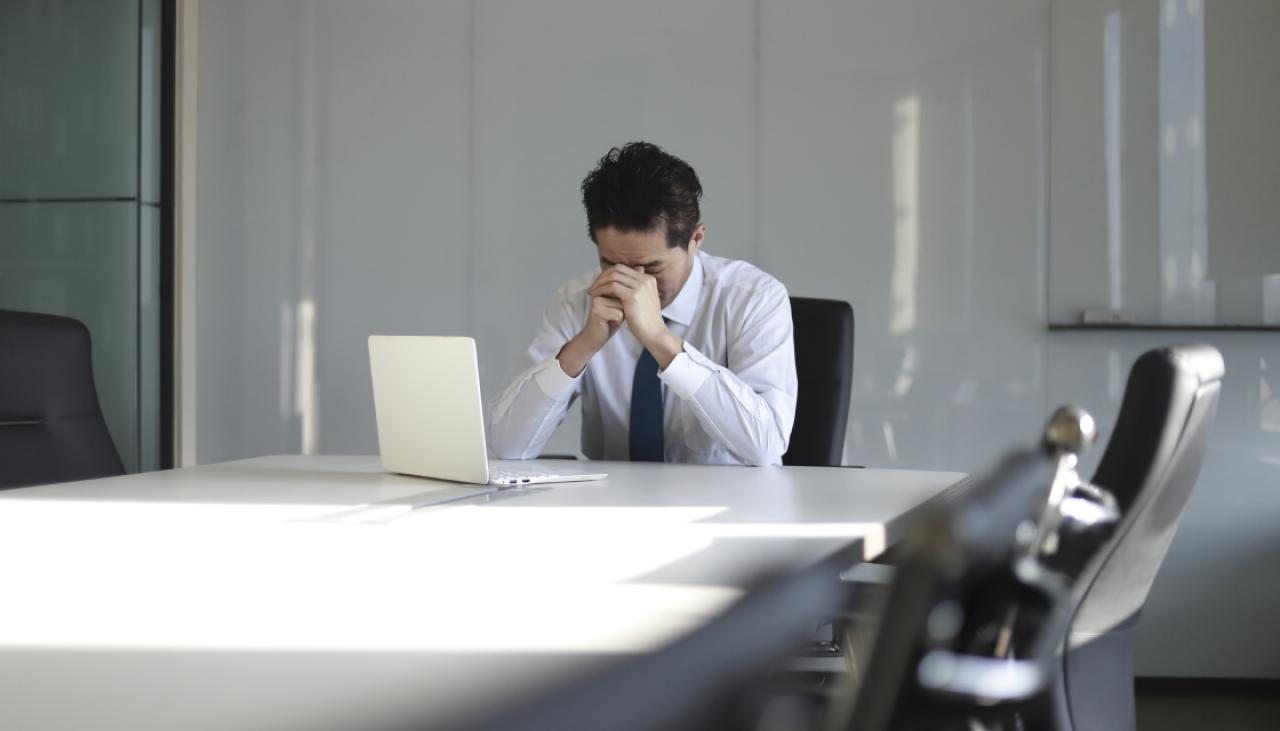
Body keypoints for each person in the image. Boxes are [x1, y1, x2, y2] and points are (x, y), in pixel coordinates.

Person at [488, 141, 797, 466]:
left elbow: (766, 446)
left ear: (696, 239)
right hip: (610, 506)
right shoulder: (577, 300)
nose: (633, 284)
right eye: (611, 263)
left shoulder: (753, 298)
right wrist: (581, 347)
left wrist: (662, 342)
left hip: (730, 508)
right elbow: (508, 447)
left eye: (651, 268)